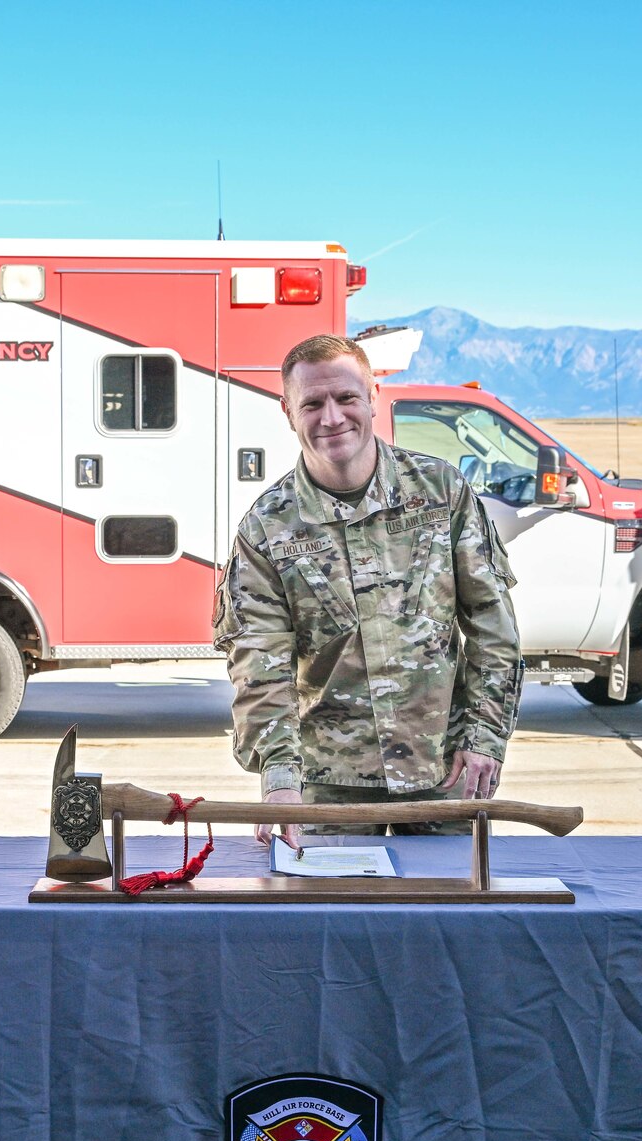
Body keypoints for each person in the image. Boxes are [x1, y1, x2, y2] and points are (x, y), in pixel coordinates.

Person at [213, 333, 524, 850]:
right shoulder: (268, 528)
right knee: (330, 926)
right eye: (312, 403)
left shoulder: (440, 493)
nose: (332, 418)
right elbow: (259, 664)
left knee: (453, 924)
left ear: (373, 395)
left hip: (443, 774)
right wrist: (281, 778)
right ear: (287, 411)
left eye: (346, 398)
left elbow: (492, 625)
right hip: (330, 788)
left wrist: (484, 737)